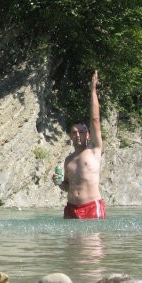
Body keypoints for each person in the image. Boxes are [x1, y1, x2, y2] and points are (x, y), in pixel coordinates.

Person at [53, 70, 106, 219]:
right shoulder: (68, 160)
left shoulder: (94, 150)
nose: (78, 135)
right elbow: (68, 187)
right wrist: (59, 183)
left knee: (91, 242)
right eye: (75, 132)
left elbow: (95, 119)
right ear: (70, 135)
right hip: (71, 208)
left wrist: (93, 91)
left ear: (88, 134)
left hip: (91, 206)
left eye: (82, 132)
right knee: (70, 243)